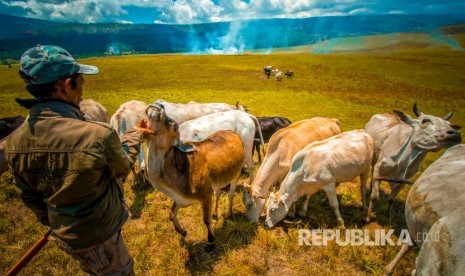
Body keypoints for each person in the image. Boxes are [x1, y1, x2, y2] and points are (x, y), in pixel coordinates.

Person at [4, 45, 154, 275]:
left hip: (67, 237)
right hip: (99, 235)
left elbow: (29, 195)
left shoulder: (15, 142)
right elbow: (122, 168)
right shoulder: (97, 135)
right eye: (81, 80)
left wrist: (54, 222)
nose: (83, 87)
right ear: (66, 85)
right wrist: (135, 134)